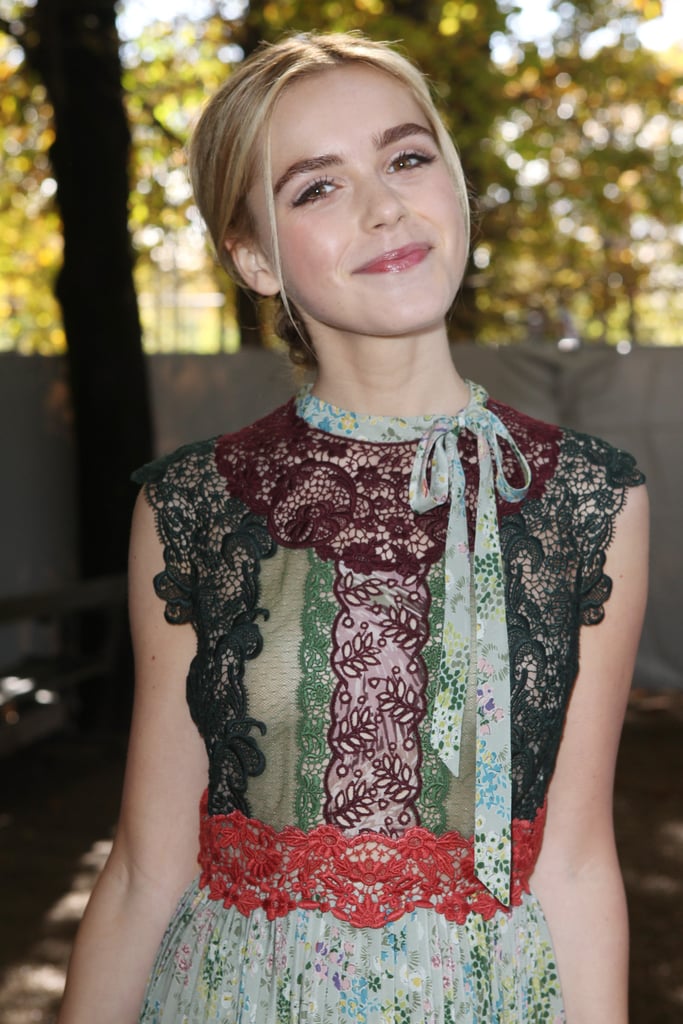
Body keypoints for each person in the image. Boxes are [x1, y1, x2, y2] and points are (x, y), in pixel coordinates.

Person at [57, 31, 649, 1024]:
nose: (384, 206)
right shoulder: (197, 504)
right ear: (253, 256)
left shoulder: (587, 497)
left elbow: (579, 865)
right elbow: (142, 872)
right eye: (315, 188)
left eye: (406, 158)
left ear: (453, 188)